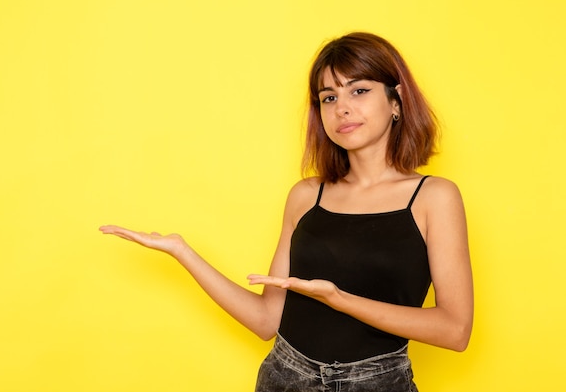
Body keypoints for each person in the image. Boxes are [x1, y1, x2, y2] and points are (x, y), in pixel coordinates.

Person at [99, 32, 473, 391]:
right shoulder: (306, 196)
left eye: (359, 91)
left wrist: (338, 298)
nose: (342, 107)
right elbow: (266, 321)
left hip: (377, 382)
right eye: (328, 98)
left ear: (397, 100)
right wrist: (182, 251)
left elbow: (455, 330)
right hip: (285, 377)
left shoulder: (433, 197)